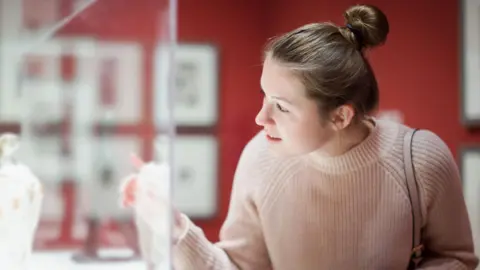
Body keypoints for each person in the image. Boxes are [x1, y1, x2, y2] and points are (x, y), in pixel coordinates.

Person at [122, 4, 479, 269]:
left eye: (282, 107)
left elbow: (457, 261)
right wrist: (172, 226)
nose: (262, 118)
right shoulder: (259, 158)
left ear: (340, 116)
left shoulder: (421, 159)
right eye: (264, 96)